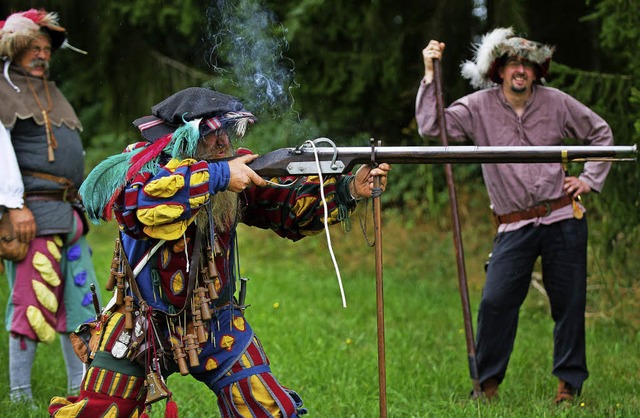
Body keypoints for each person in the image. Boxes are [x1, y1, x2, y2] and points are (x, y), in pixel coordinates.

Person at [48, 86, 391, 417]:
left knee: (268, 409)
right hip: (137, 325)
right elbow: (139, 207)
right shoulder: (140, 170)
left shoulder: (232, 174)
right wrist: (219, 174)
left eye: (227, 131)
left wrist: (348, 189)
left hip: (216, 322)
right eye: (213, 134)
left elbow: (284, 206)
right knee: (99, 414)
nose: (224, 142)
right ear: (183, 139)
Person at [415, 27, 613, 403]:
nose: (520, 70)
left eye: (528, 65)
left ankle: (568, 387)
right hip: (513, 223)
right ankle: (486, 386)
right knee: (495, 302)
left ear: (538, 72)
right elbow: (432, 127)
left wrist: (588, 180)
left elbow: (602, 135)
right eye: (512, 64)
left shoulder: (557, 103)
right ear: (499, 70)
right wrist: (429, 72)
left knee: (568, 303)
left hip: (562, 216)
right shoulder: (477, 107)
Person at [0, 8, 101, 405]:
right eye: (33, 48)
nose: (42, 55)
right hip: (30, 216)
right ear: (14, 49)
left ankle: (82, 390)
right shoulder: (3, 88)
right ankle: (20, 397)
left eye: (47, 48)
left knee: (81, 306)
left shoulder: (50, 90)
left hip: (69, 216)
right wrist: (12, 205)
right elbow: (1, 152)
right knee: (30, 304)